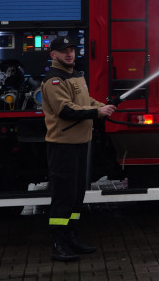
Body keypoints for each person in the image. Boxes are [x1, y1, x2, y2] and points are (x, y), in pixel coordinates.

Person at [40, 35, 116, 262]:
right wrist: (96, 113)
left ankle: (71, 236)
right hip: (63, 147)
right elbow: (66, 110)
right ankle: (58, 243)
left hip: (81, 144)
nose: (69, 54)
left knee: (77, 196)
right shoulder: (54, 81)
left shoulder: (76, 76)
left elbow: (86, 101)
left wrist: (101, 106)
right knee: (63, 196)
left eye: (72, 49)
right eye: (64, 51)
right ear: (53, 54)